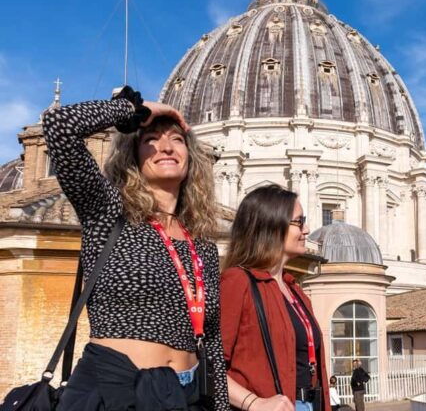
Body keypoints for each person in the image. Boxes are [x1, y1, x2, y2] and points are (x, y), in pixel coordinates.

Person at [43, 87, 229, 410]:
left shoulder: (202, 246)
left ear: (190, 156)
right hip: (117, 389)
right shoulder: (108, 212)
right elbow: (60, 126)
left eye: (177, 139)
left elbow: (211, 342)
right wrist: (134, 110)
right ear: (132, 157)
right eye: (151, 140)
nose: (166, 147)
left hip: (188, 395)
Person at [220, 185, 331, 411]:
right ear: (272, 225)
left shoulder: (296, 291)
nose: (307, 230)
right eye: (299, 222)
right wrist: (254, 403)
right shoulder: (238, 282)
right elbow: (209, 365)